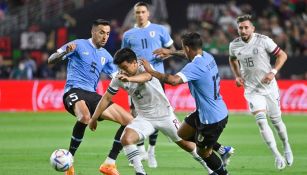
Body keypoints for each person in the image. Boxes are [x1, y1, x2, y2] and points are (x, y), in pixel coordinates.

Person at [89, 47, 220, 175]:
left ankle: (211, 170)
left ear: (134, 63)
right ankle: (140, 172)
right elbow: (106, 98)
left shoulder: (144, 66)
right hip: (145, 118)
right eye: (120, 68)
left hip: (165, 116)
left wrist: (130, 79)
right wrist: (94, 118)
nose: (122, 71)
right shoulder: (119, 77)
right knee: (126, 139)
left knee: (189, 146)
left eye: (125, 67)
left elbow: (146, 76)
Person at [48, 19, 134, 175]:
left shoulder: (107, 56)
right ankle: (70, 161)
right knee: (84, 117)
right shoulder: (79, 45)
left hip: (93, 95)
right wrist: (66, 52)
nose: (105, 37)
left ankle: (109, 163)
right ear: (93, 32)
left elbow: (117, 76)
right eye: (102, 32)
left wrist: (132, 82)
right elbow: (51, 60)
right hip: (73, 91)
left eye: (107, 33)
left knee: (130, 122)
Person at [141, 32, 230, 175]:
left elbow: (173, 80)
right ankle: (221, 149)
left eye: (183, 48)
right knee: (182, 132)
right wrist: (170, 52)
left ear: (188, 48)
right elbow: (186, 54)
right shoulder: (207, 56)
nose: (183, 51)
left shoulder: (195, 67)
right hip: (208, 110)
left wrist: (151, 71)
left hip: (212, 119)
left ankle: (223, 173)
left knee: (204, 153)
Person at [228, 14, 293, 169]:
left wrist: (273, 72)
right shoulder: (234, 45)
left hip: (269, 88)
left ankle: (286, 146)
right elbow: (232, 59)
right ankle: (276, 155)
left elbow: (282, 55)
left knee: (277, 123)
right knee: (262, 122)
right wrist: (237, 76)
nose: (243, 30)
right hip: (251, 90)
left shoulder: (263, 40)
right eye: (240, 28)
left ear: (252, 28)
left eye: (246, 27)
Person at [121, 1, 176, 168]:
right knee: (136, 114)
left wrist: (165, 55)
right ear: (134, 14)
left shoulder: (160, 30)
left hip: (156, 78)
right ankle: (140, 150)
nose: (140, 15)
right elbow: (123, 56)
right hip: (135, 79)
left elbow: (171, 49)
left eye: (143, 12)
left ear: (148, 13)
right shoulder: (128, 34)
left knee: (157, 114)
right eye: (137, 12)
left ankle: (151, 150)